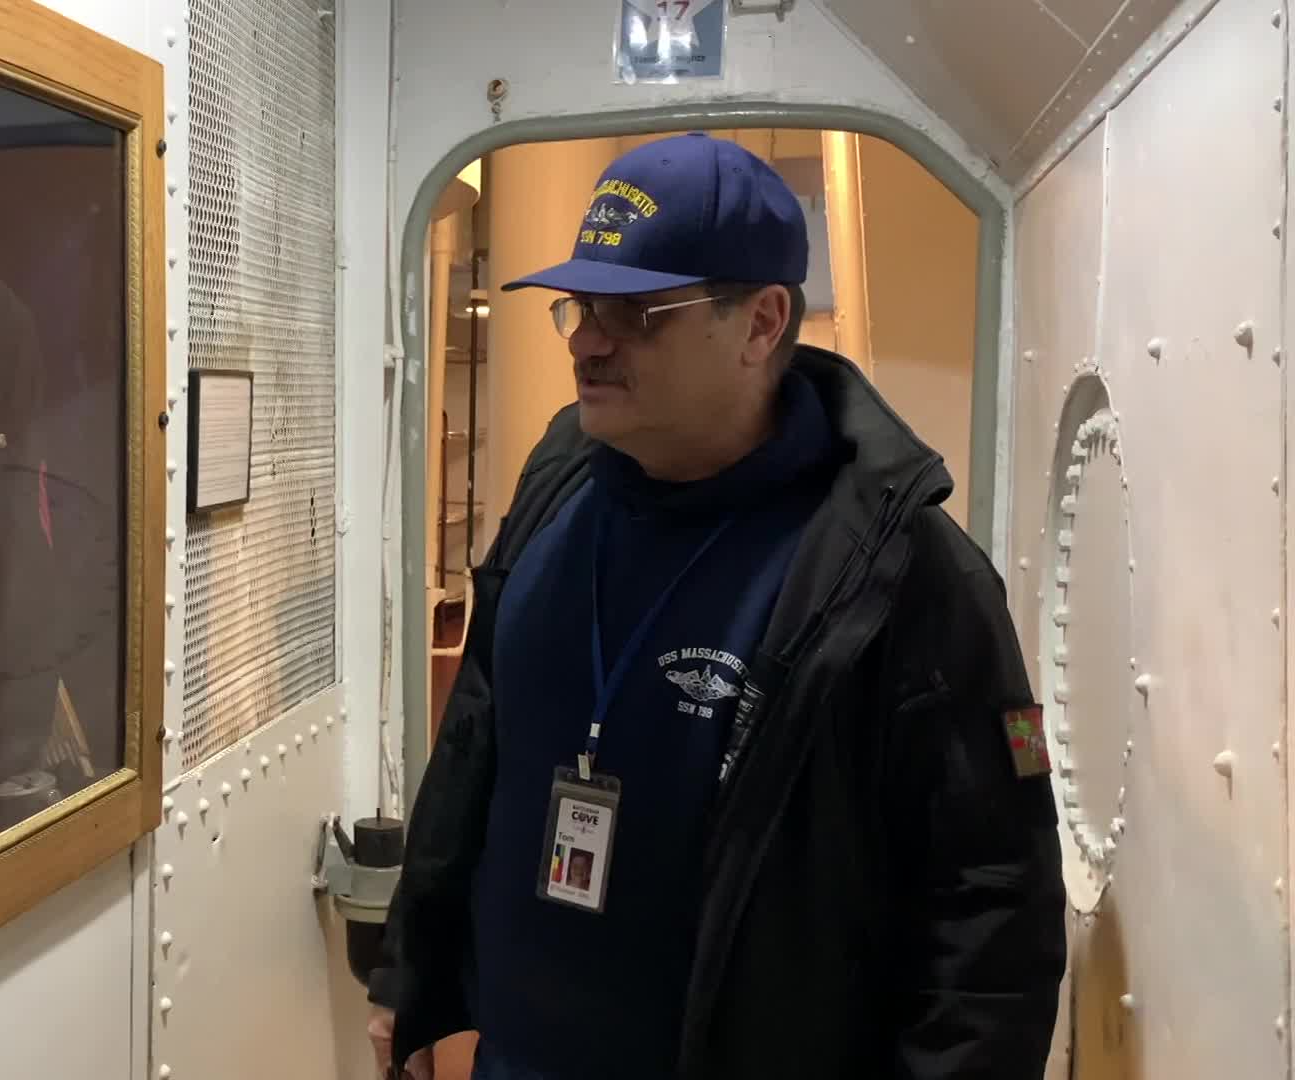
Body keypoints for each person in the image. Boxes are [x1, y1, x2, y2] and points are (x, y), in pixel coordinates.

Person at [365, 133, 1065, 1079]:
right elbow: (475, 744)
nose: (588, 340)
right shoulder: (558, 482)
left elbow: (988, 908)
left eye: (640, 311)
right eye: (579, 307)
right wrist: (416, 971)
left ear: (763, 323)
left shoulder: (896, 571)